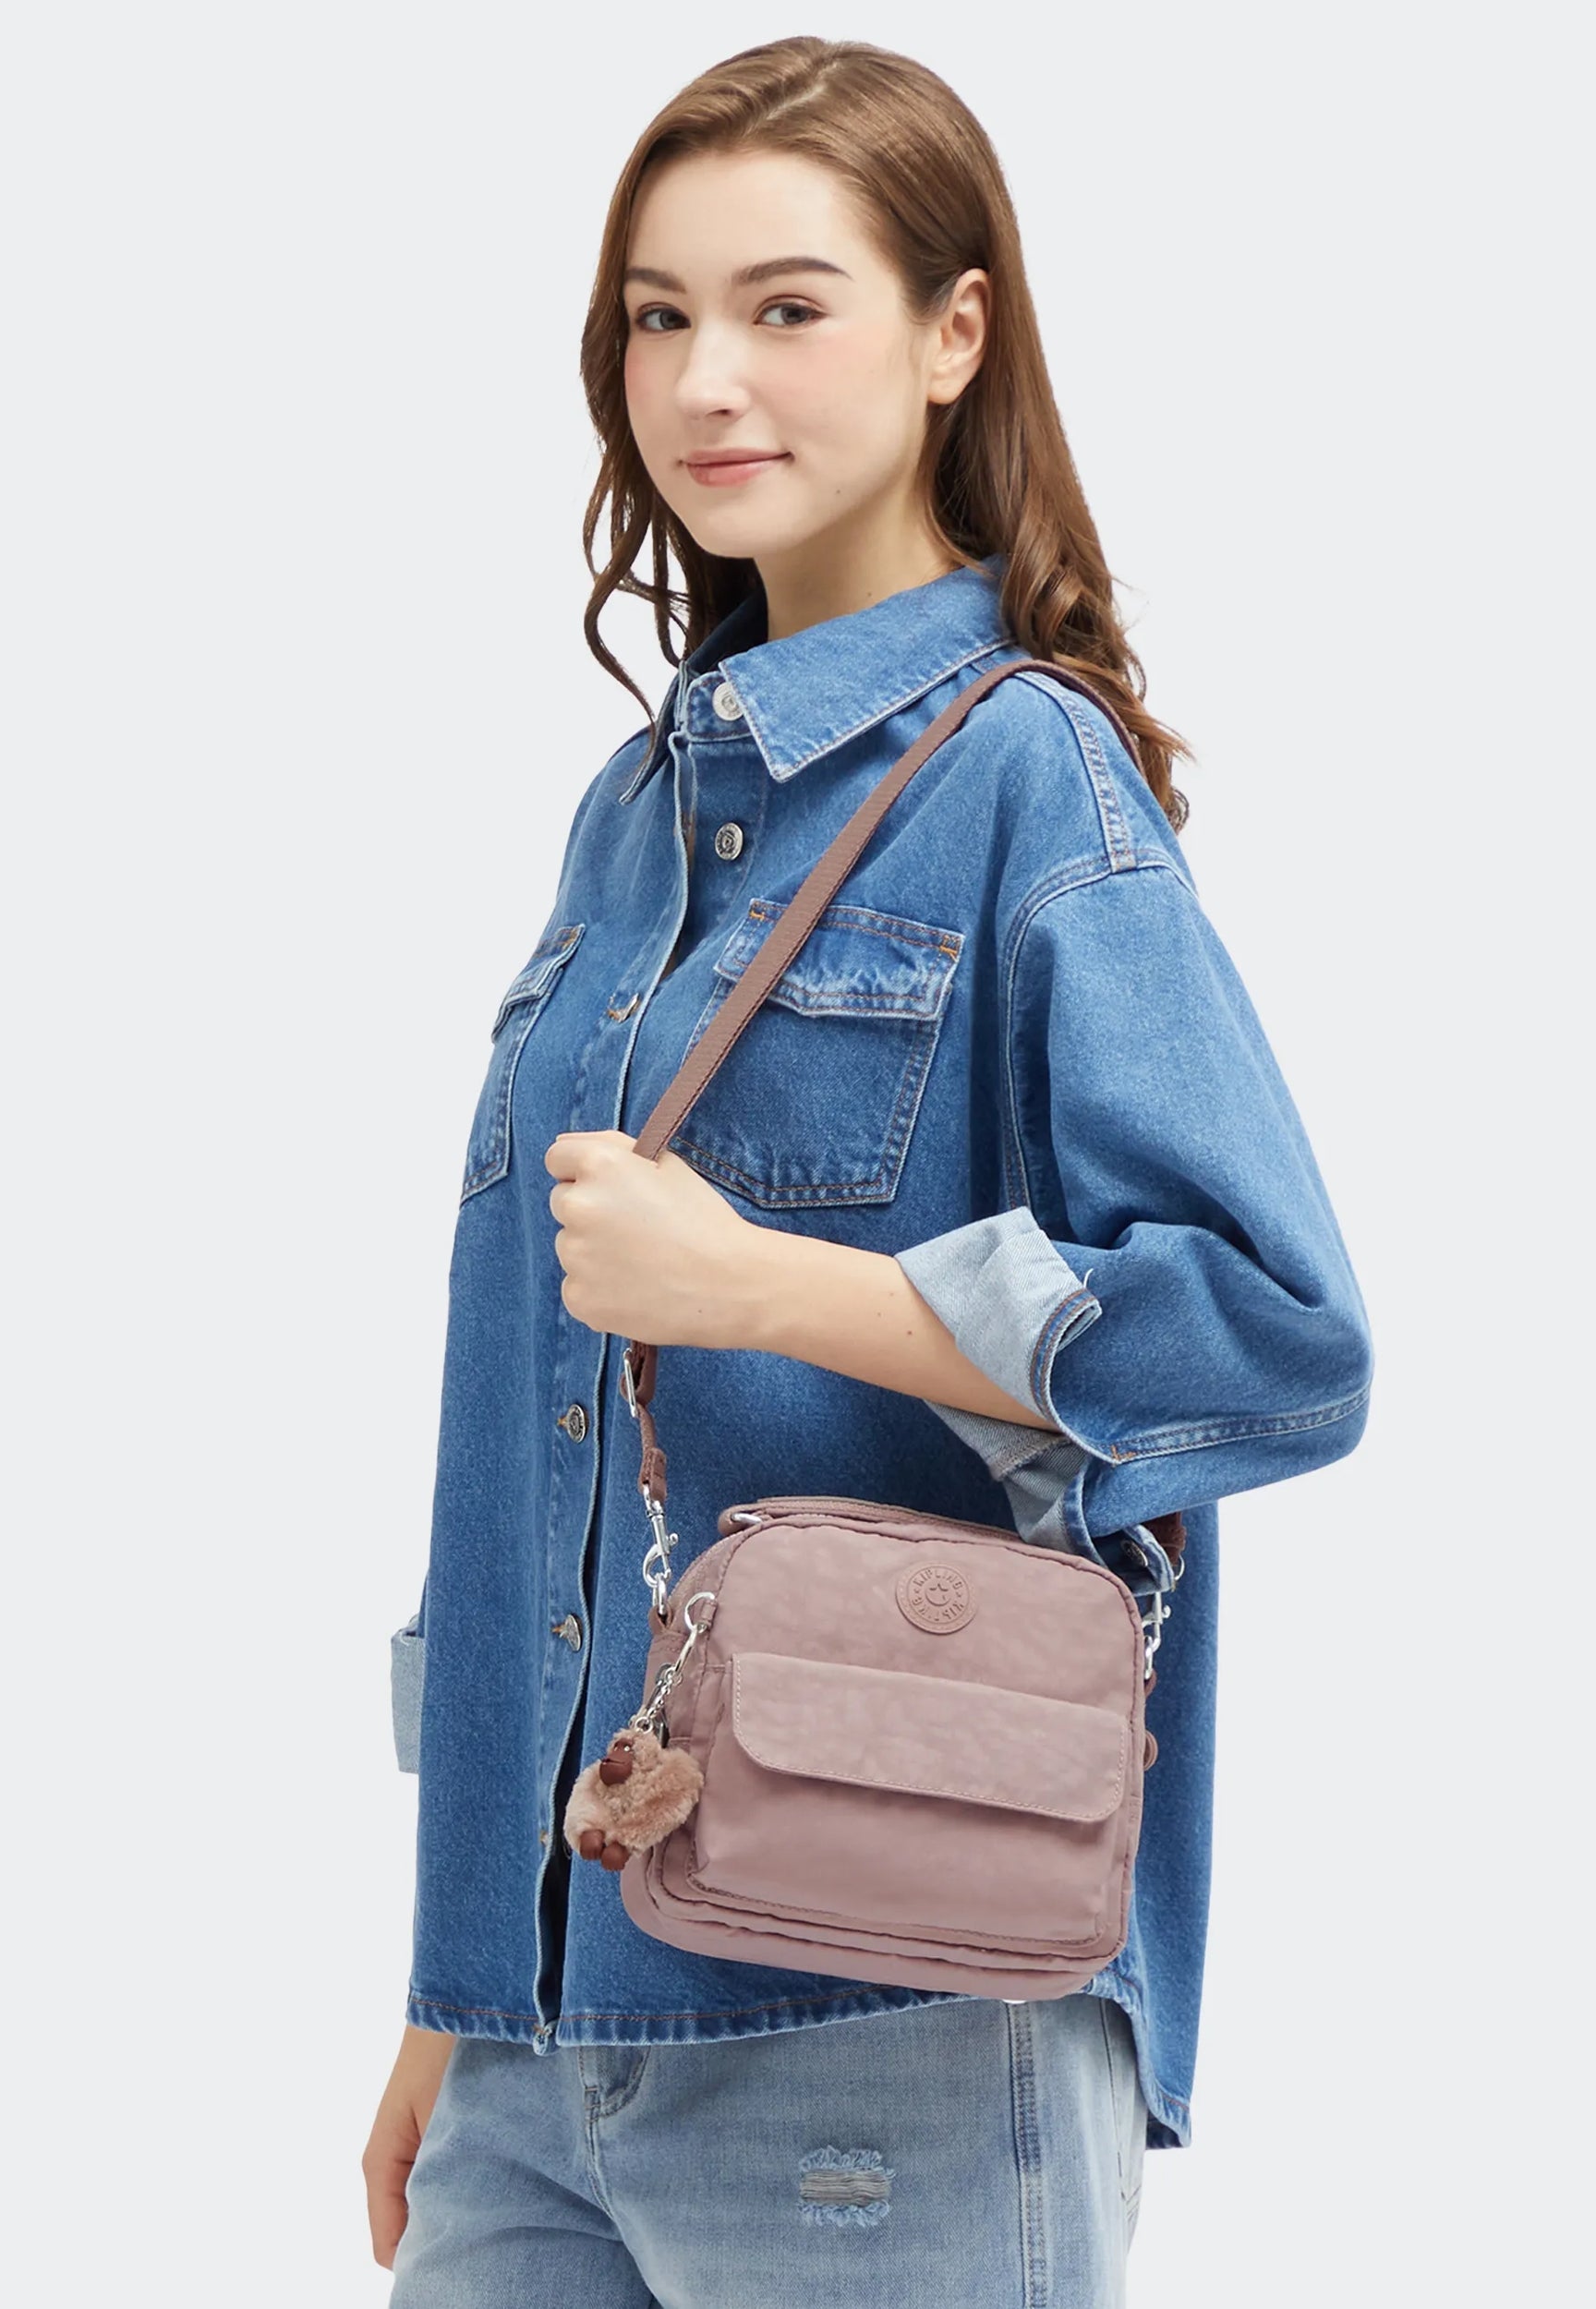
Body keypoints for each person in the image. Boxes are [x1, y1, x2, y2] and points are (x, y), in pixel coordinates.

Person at [362, 34, 1373, 2306]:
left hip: (892, 2013)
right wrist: (457, 1974)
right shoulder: (635, 815)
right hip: (543, 2023)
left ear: (950, 334)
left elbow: (1276, 1334)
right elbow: (533, 1434)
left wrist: (773, 1290)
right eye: (656, 314)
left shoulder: (1029, 783)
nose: (702, 378)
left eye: (785, 306)